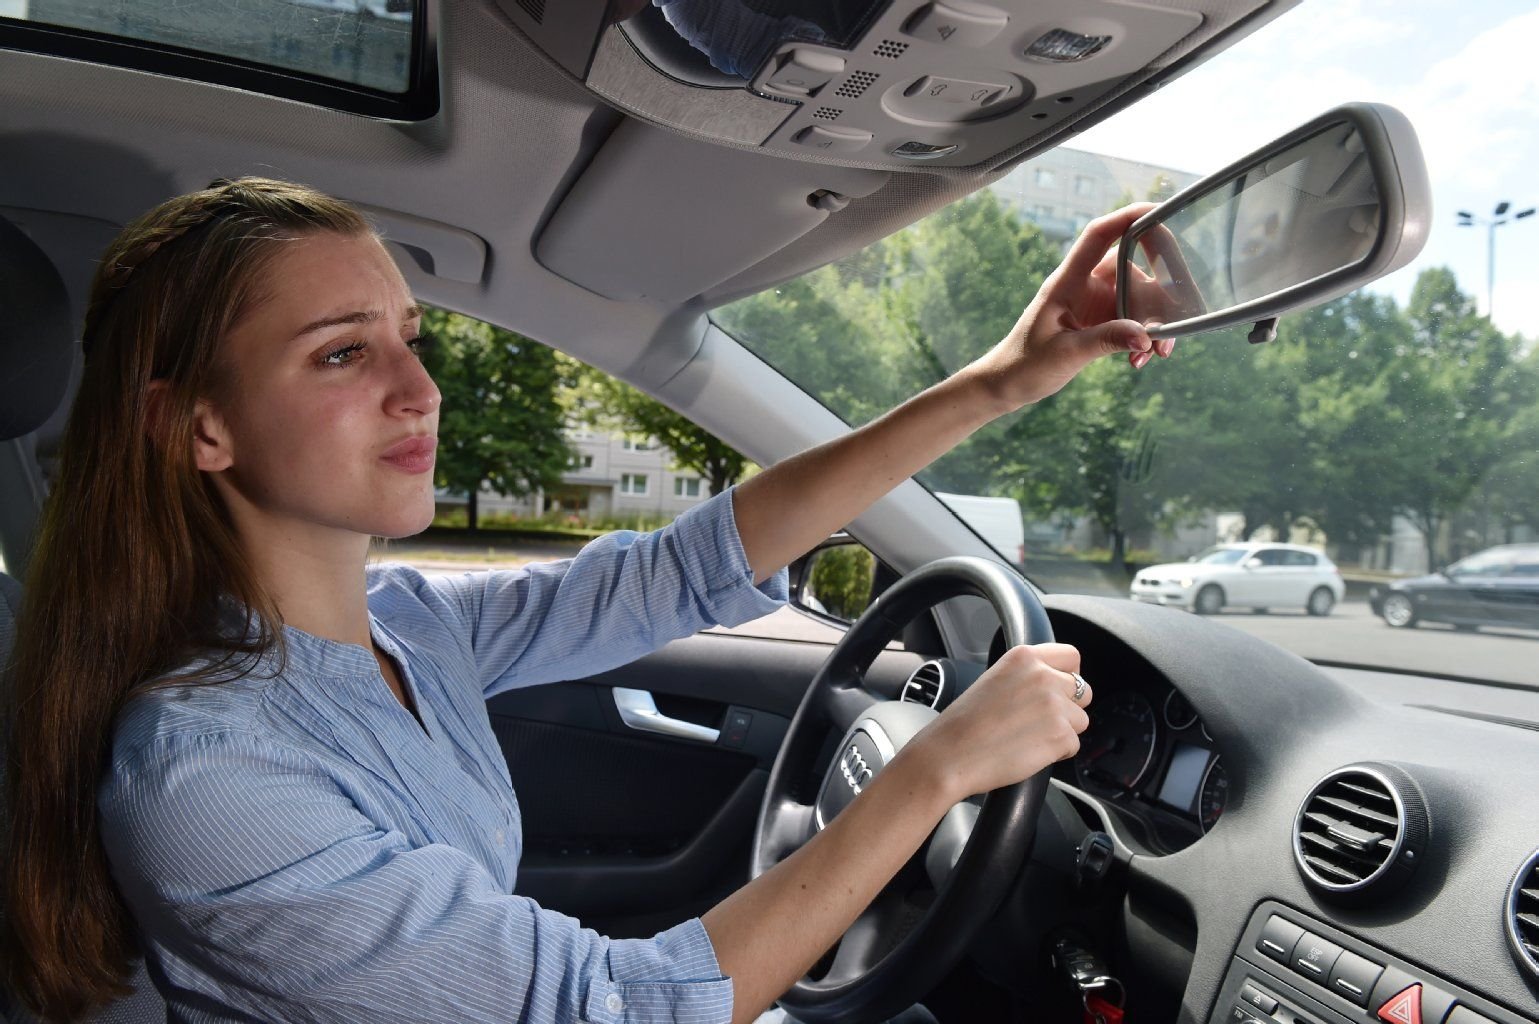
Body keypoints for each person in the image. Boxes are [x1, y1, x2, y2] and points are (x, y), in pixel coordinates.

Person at [1, 178, 1172, 1024]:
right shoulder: (206, 774)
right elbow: (609, 1008)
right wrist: (933, 771)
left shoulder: (409, 620)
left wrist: (998, 380)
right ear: (198, 425)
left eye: (410, 337)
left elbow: (677, 570)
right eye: (342, 355)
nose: (422, 389)